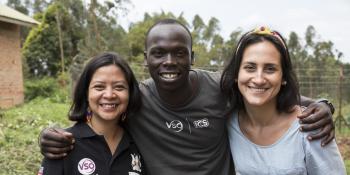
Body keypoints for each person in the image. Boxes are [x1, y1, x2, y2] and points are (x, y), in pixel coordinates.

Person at [39, 19, 335, 175]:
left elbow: (265, 89)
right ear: (146, 58)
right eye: (159, 53)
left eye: (179, 53)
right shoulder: (137, 98)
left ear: (192, 56)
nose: (169, 61)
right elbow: (102, 108)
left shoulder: (220, 87)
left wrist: (322, 105)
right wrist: (52, 135)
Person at [221, 26, 346, 174]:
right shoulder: (228, 122)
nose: (259, 79)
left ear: (284, 78)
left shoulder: (311, 126)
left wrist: (324, 104)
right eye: (250, 67)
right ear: (236, 74)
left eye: (270, 69)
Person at [38, 52, 145, 175]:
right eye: (99, 87)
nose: (109, 95)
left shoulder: (139, 143)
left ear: (130, 93)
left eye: (119, 87)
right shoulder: (62, 145)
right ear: (86, 93)